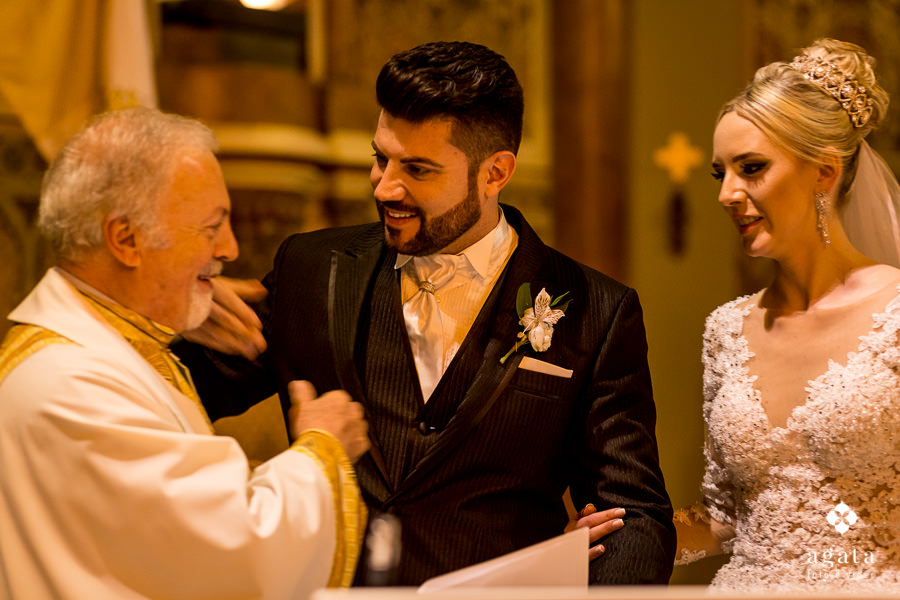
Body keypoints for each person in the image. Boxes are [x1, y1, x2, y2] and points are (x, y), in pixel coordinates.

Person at [178, 41, 675, 585]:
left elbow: (632, 516)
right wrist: (171, 305)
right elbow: (170, 396)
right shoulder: (311, 270)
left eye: (417, 169)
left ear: (495, 173)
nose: (385, 186)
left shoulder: (596, 310)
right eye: (380, 158)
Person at [0, 107, 370, 599]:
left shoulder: (104, 347)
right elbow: (232, 549)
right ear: (127, 239)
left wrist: (169, 305)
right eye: (212, 227)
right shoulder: (71, 384)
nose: (230, 248)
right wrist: (323, 449)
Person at [674, 38, 900, 590]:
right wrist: (623, 536)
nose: (727, 194)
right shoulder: (726, 329)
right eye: (720, 173)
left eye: (751, 168)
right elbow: (726, 519)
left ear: (824, 171)